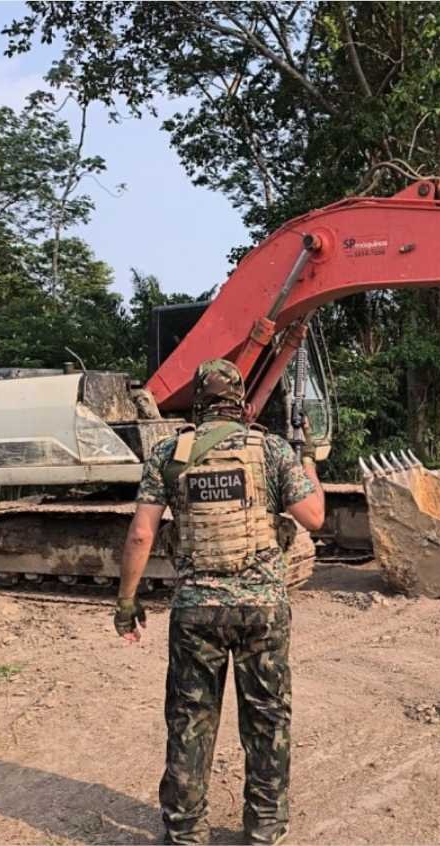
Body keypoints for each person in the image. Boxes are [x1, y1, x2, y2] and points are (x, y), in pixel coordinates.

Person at [113, 358, 325, 845]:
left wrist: (126, 603)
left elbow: (142, 535)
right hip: (262, 612)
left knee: (191, 721)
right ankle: (265, 828)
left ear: (198, 402)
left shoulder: (170, 452)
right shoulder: (270, 450)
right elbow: (314, 516)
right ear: (243, 403)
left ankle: (186, 833)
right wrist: (307, 456)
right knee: (267, 718)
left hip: (196, 612)